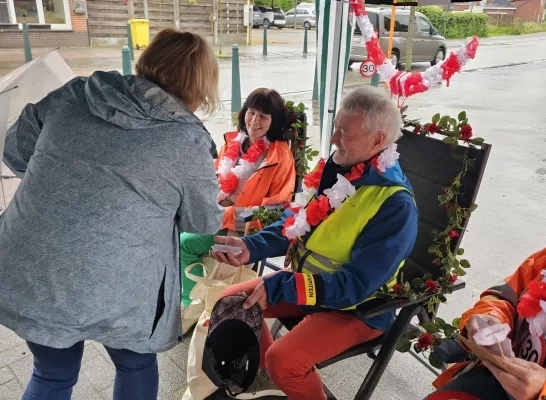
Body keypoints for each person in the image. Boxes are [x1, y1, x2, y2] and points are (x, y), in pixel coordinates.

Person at [0, 29, 223, 400]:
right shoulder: (187, 140)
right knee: (135, 364)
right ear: (198, 86)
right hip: (119, 283)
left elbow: (15, 151)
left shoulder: (74, 94)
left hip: (30, 267)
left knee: (53, 374)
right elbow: (202, 222)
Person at [210, 85, 419, 400]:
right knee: (231, 304)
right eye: (336, 129)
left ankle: (281, 375)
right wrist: (251, 247)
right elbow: (296, 222)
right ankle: (268, 383)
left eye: (344, 134)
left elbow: (356, 285)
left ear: (377, 141)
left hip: (358, 308)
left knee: (283, 359)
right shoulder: (339, 168)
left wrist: (283, 285)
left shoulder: (394, 205)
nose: (334, 140)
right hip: (310, 287)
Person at [180, 88, 296, 330]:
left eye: (263, 117)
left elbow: (276, 208)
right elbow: (214, 180)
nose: (254, 121)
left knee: (185, 242)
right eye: (251, 113)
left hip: (244, 231)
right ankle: (193, 297)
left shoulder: (280, 155)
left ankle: (190, 306)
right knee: (172, 228)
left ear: (274, 122)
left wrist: (230, 215)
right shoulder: (234, 142)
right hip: (216, 216)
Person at [425, 248, 546, 400]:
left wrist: (542, 393)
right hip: (492, 376)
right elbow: (504, 295)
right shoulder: (543, 259)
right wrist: (490, 316)